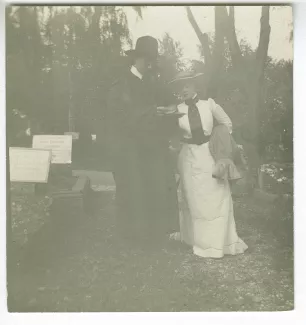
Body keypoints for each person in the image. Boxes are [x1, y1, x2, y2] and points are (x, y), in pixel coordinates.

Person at [106, 36, 180, 248]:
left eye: (152, 60)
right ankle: (130, 237)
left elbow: (169, 106)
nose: (150, 64)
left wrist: (169, 113)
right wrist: (152, 112)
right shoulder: (120, 86)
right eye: (147, 59)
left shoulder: (154, 83)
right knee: (132, 189)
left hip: (153, 147)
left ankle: (153, 234)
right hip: (130, 149)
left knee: (155, 187)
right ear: (136, 59)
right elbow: (119, 117)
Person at [169, 71, 248, 258]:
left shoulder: (209, 105)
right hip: (188, 155)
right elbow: (172, 134)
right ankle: (195, 240)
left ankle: (218, 243)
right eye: (181, 86)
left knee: (214, 195)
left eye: (187, 85)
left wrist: (218, 143)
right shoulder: (177, 110)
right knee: (193, 198)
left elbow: (226, 123)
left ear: (196, 86)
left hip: (208, 154)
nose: (184, 89)